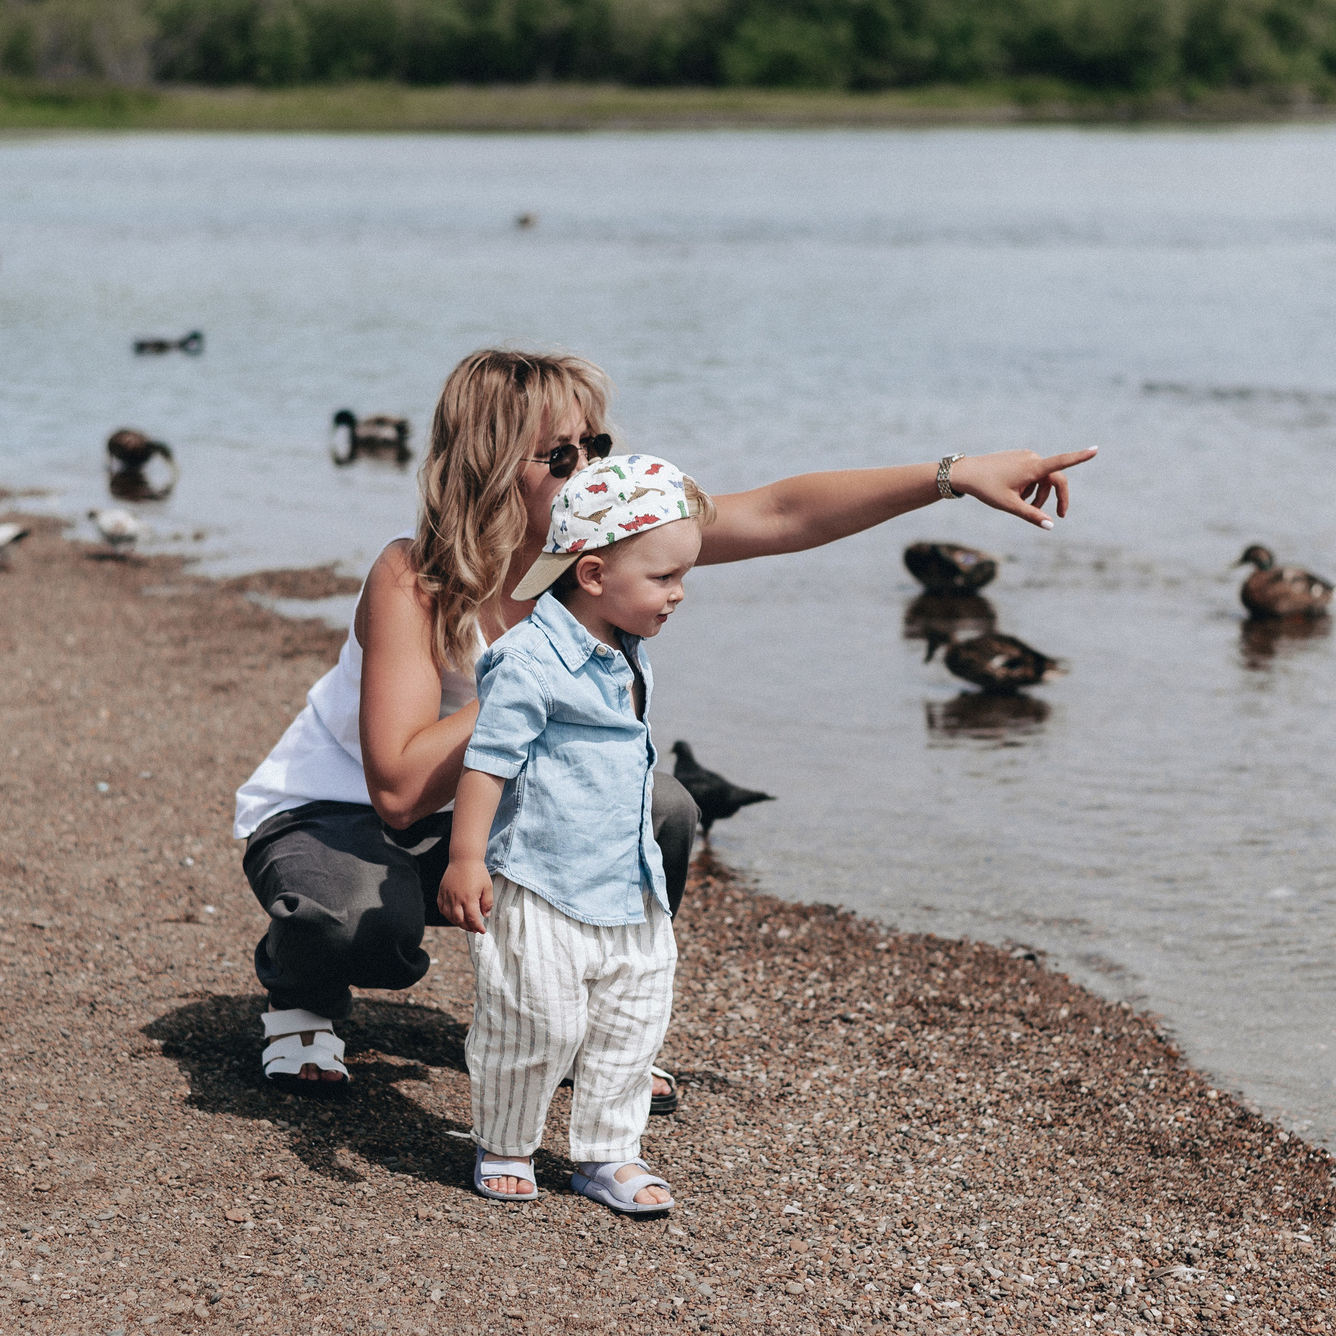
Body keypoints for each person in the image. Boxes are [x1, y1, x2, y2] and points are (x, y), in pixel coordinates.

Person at [234, 347, 1094, 1095]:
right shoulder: (413, 576)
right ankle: (304, 995)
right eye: (561, 455)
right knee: (357, 923)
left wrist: (951, 475)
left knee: (662, 808)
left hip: (490, 812)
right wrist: (541, 656)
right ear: (491, 466)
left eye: (597, 446)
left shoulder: (603, 545)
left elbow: (780, 512)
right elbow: (395, 789)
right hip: (340, 817)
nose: (590, 469)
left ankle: (586, 1025)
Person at [436, 455, 708, 1212]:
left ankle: (608, 1153)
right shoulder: (528, 661)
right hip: (542, 882)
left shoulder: (627, 650)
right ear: (592, 575)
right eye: (664, 577)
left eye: (684, 575)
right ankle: (506, 1140)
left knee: (632, 1023)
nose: (679, 593)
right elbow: (487, 762)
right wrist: (466, 857)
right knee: (536, 1022)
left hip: (628, 879)